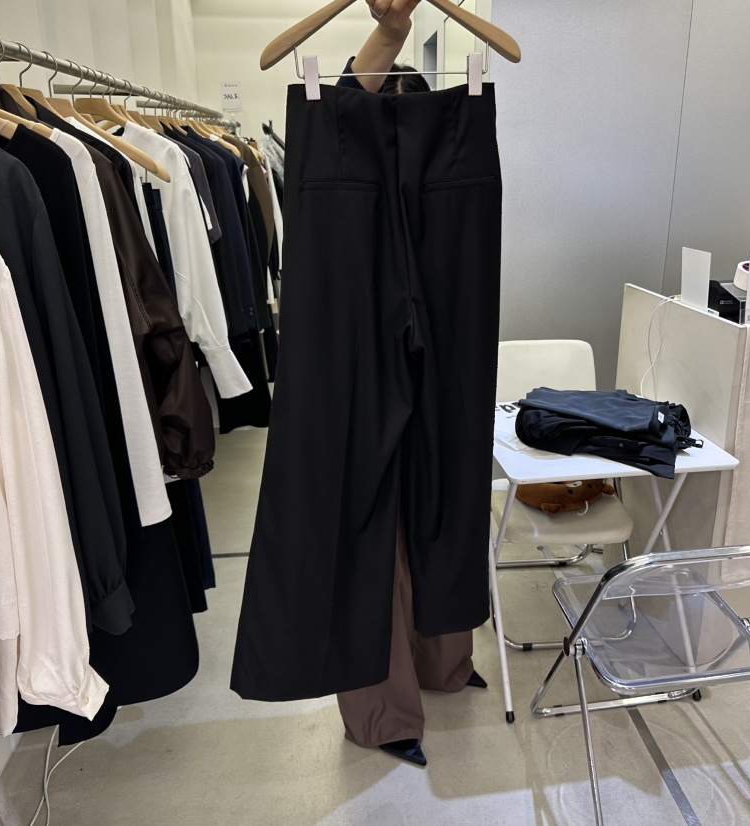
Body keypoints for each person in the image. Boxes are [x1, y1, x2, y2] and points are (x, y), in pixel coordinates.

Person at [332, 0, 488, 769]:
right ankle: (382, 707)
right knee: (371, 505)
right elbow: (341, 110)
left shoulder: (447, 134)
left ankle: (444, 659)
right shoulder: (340, 135)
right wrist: (389, 33)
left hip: (444, 260)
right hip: (354, 297)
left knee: (444, 477)